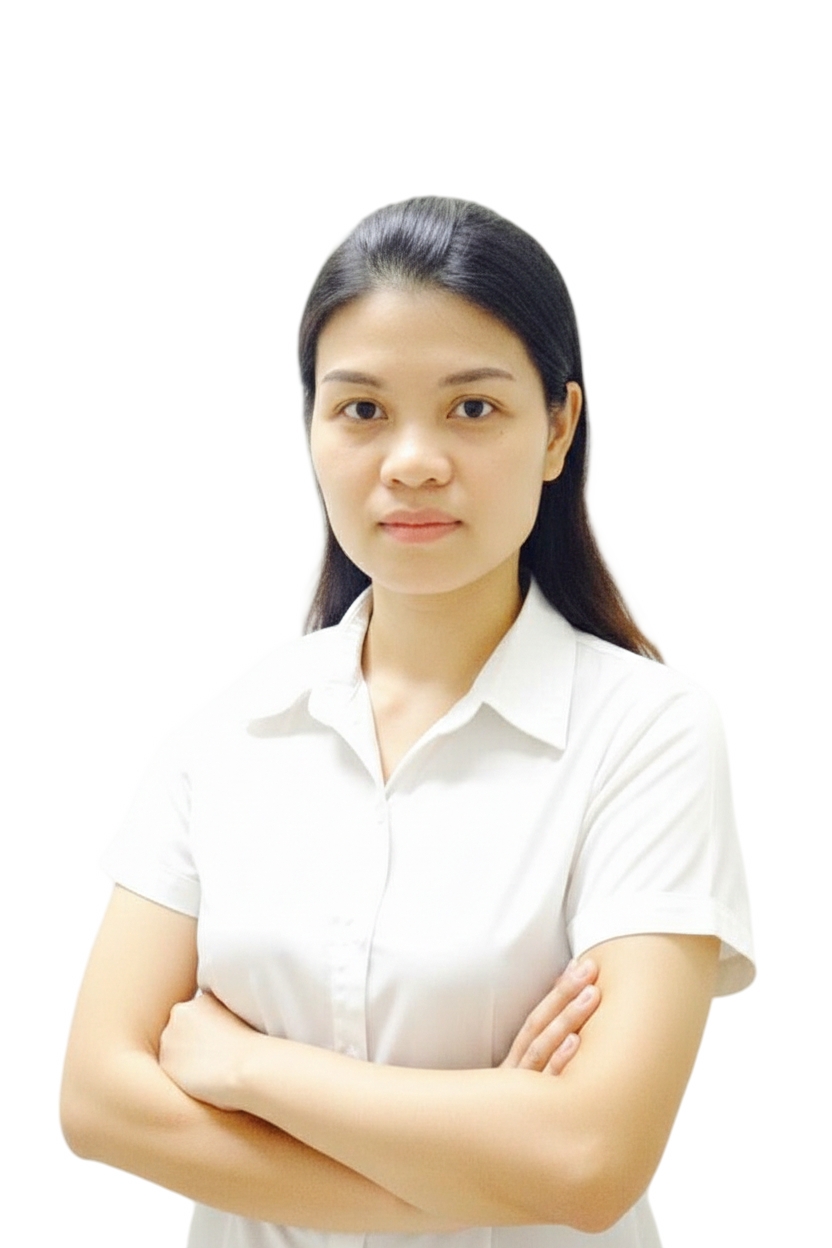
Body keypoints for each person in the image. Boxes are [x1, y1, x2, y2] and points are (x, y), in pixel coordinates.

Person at [60, 196, 754, 1248]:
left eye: (472, 408)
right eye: (362, 410)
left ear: (558, 427)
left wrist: (244, 1066)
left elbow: (591, 1159)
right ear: (311, 428)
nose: (414, 460)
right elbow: (98, 1102)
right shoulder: (229, 735)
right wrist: (477, 1168)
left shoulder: (647, 734)